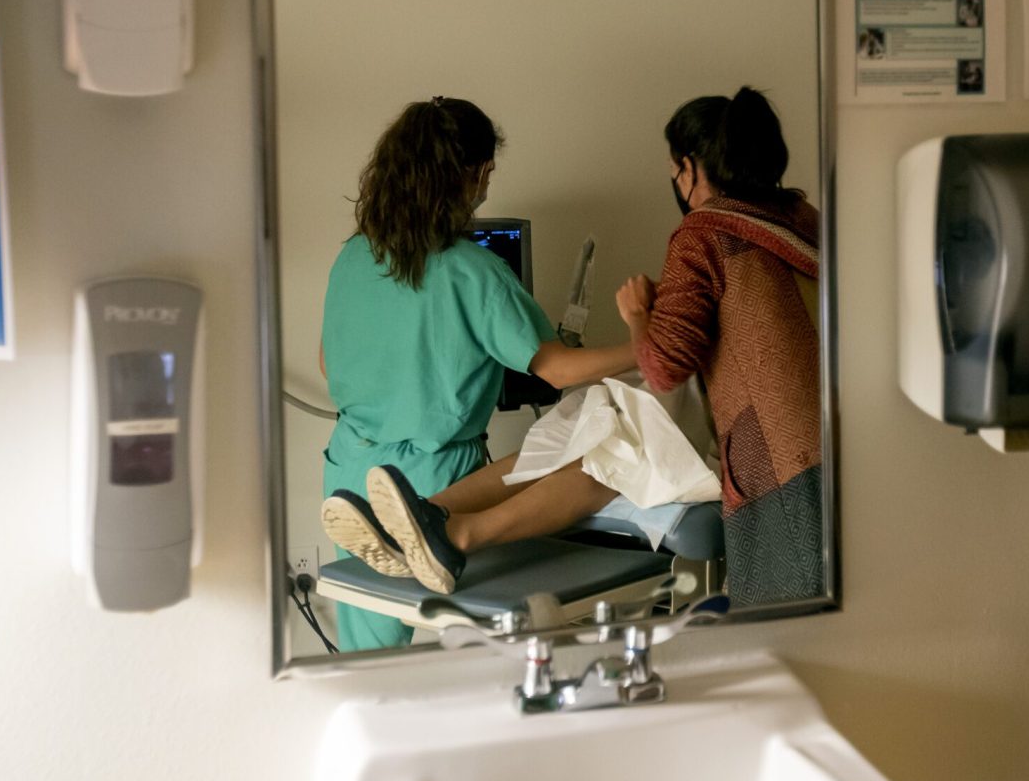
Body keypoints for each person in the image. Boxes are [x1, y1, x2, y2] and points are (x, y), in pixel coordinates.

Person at [315, 97, 636, 650]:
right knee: (470, 648)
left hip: (349, 471)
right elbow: (558, 370)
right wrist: (643, 347)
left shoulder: (352, 258)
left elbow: (328, 362)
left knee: (369, 656)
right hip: (438, 483)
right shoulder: (475, 273)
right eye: (486, 175)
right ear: (473, 175)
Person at [618, 87, 823, 606]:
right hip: (852, 446)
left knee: (786, 623)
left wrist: (638, 316)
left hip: (780, 464)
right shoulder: (806, 219)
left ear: (687, 167)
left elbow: (664, 368)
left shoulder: (702, 234)